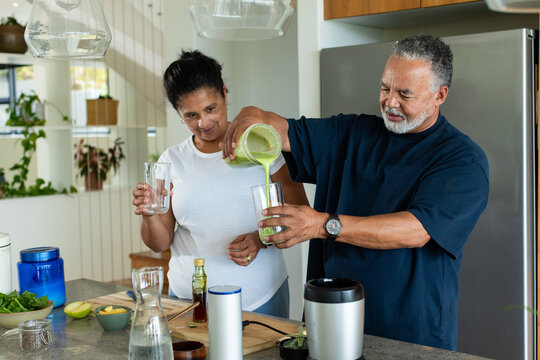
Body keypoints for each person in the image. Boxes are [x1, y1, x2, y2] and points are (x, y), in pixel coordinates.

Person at [222, 35, 489, 350]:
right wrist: (250, 115)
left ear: (439, 95)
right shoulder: (350, 133)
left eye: (405, 93)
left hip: (412, 335)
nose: (390, 101)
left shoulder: (461, 159)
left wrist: (322, 225)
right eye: (385, 88)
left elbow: (415, 230)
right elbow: (278, 129)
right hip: (328, 323)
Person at [131, 50, 308, 318]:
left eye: (210, 109)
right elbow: (159, 243)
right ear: (179, 113)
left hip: (259, 299)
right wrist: (149, 215)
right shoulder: (171, 161)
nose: (203, 123)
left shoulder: (263, 146)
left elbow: (299, 213)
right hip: (188, 302)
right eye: (190, 115)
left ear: (225, 94)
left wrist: (260, 240)